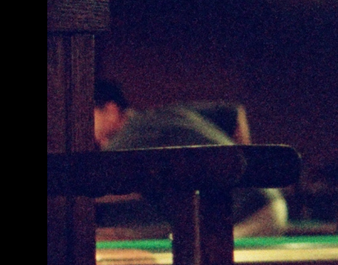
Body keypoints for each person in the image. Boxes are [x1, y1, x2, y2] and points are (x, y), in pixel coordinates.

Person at [92, 86, 288, 237]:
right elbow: (234, 113)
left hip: (247, 214)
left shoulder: (129, 135)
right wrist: (246, 174)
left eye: (91, 115)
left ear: (111, 110)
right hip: (267, 202)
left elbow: (95, 184)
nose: (89, 127)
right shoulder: (167, 114)